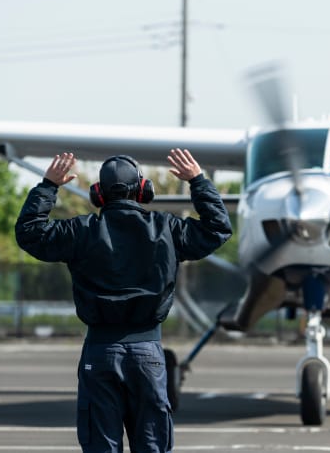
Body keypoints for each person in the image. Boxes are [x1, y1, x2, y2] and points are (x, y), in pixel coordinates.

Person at [15, 149, 232, 453]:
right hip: (148, 354)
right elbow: (218, 228)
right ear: (143, 190)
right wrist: (198, 181)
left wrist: (48, 186)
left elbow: (29, 233)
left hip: (99, 353)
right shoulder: (167, 229)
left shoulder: (80, 231)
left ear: (98, 194)